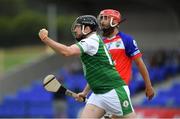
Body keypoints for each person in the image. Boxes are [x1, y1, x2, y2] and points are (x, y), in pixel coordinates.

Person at [38, 15, 135, 118]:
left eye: (77, 27)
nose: (75, 30)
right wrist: (85, 92)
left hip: (114, 92)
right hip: (98, 94)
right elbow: (96, 73)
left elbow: (67, 52)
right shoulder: (90, 42)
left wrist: (46, 39)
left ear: (87, 29)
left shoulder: (91, 41)